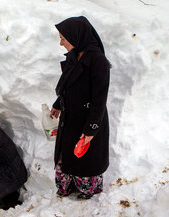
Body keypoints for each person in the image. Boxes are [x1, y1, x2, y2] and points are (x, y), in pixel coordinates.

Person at [51, 16, 110, 199]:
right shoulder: (73, 56)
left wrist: (91, 129)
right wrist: (59, 103)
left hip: (89, 119)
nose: (61, 43)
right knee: (67, 153)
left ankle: (86, 190)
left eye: (63, 38)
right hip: (70, 118)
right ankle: (67, 186)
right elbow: (68, 84)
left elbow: (99, 99)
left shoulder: (97, 61)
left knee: (85, 156)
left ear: (76, 37)